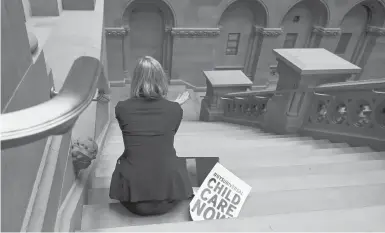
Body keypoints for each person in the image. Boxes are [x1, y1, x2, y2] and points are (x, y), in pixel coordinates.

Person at [109, 56, 194, 216]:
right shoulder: (175, 110)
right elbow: (164, 136)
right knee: (176, 159)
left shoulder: (121, 108)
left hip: (132, 200)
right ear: (161, 79)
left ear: (135, 80)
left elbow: (137, 133)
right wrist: (174, 106)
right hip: (168, 199)